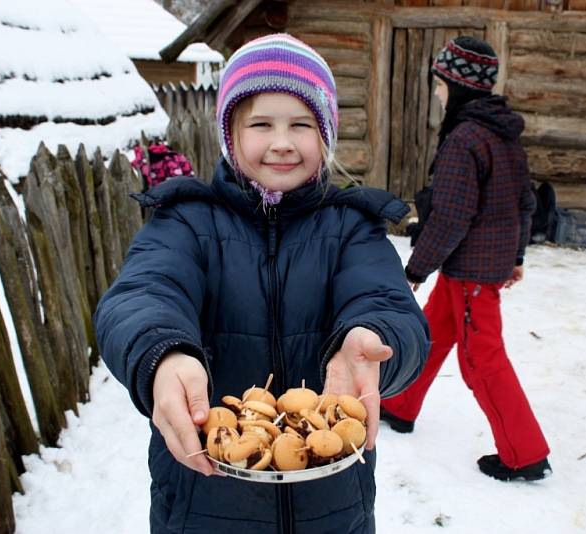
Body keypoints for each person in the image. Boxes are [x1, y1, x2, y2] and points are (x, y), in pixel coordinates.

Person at [94, 33, 429, 533]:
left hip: (331, 505)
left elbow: (386, 301)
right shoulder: (185, 223)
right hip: (204, 497)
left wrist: (373, 339)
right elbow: (144, 294)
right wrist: (163, 355)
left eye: (302, 124)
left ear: (327, 135)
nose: (281, 142)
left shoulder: (351, 228)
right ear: (230, 134)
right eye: (260, 124)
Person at [379, 36, 552, 482]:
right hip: (472, 268)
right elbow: (525, 204)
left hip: (473, 271)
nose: (437, 92)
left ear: (456, 85)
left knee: (482, 360)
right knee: (433, 334)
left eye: (440, 83)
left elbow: (452, 216)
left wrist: (416, 268)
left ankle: (523, 453)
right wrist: (515, 255)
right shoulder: (502, 134)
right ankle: (399, 405)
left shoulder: (465, 139)